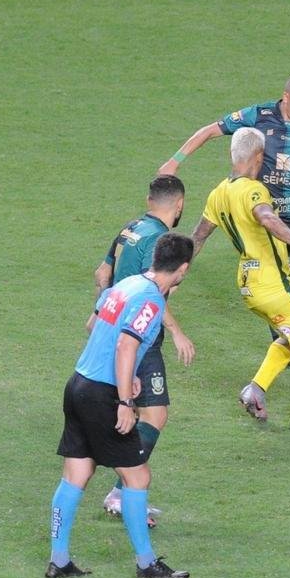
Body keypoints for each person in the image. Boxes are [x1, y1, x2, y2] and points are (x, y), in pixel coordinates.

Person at [46, 232, 195, 578]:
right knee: (137, 476)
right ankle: (146, 564)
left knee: (77, 473)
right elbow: (126, 345)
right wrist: (126, 400)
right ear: (183, 269)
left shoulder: (126, 284)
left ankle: (59, 560)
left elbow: (93, 325)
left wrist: (128, 377)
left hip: (78, 385)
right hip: (103, 395)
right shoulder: (152, 300)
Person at [190, 127, 290, 433]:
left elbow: (198, 237)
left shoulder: (218, 192)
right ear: (259, 156)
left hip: (249, 283)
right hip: (275, 282)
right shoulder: (253, 190)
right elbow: (267, 217)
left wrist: (173, 274)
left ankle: (255, 389)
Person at [159, 72, 290, 284]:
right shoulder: (258, 115)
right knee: (201, 233)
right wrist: (174, 162)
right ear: (286, 97)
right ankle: (170, 276)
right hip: (257, 203)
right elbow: (209, 131)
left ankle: (282, 268)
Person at [91, 174, 195, 524]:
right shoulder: (157, 240)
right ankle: (122, 493)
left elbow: (102, 273)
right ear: (179, 205)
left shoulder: (131, 228)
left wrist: (104, 312)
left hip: (114, 329)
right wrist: (177, 332)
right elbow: (151, 291)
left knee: (135, 414)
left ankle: (123, 489)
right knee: (154, 415)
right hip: (139, 337)